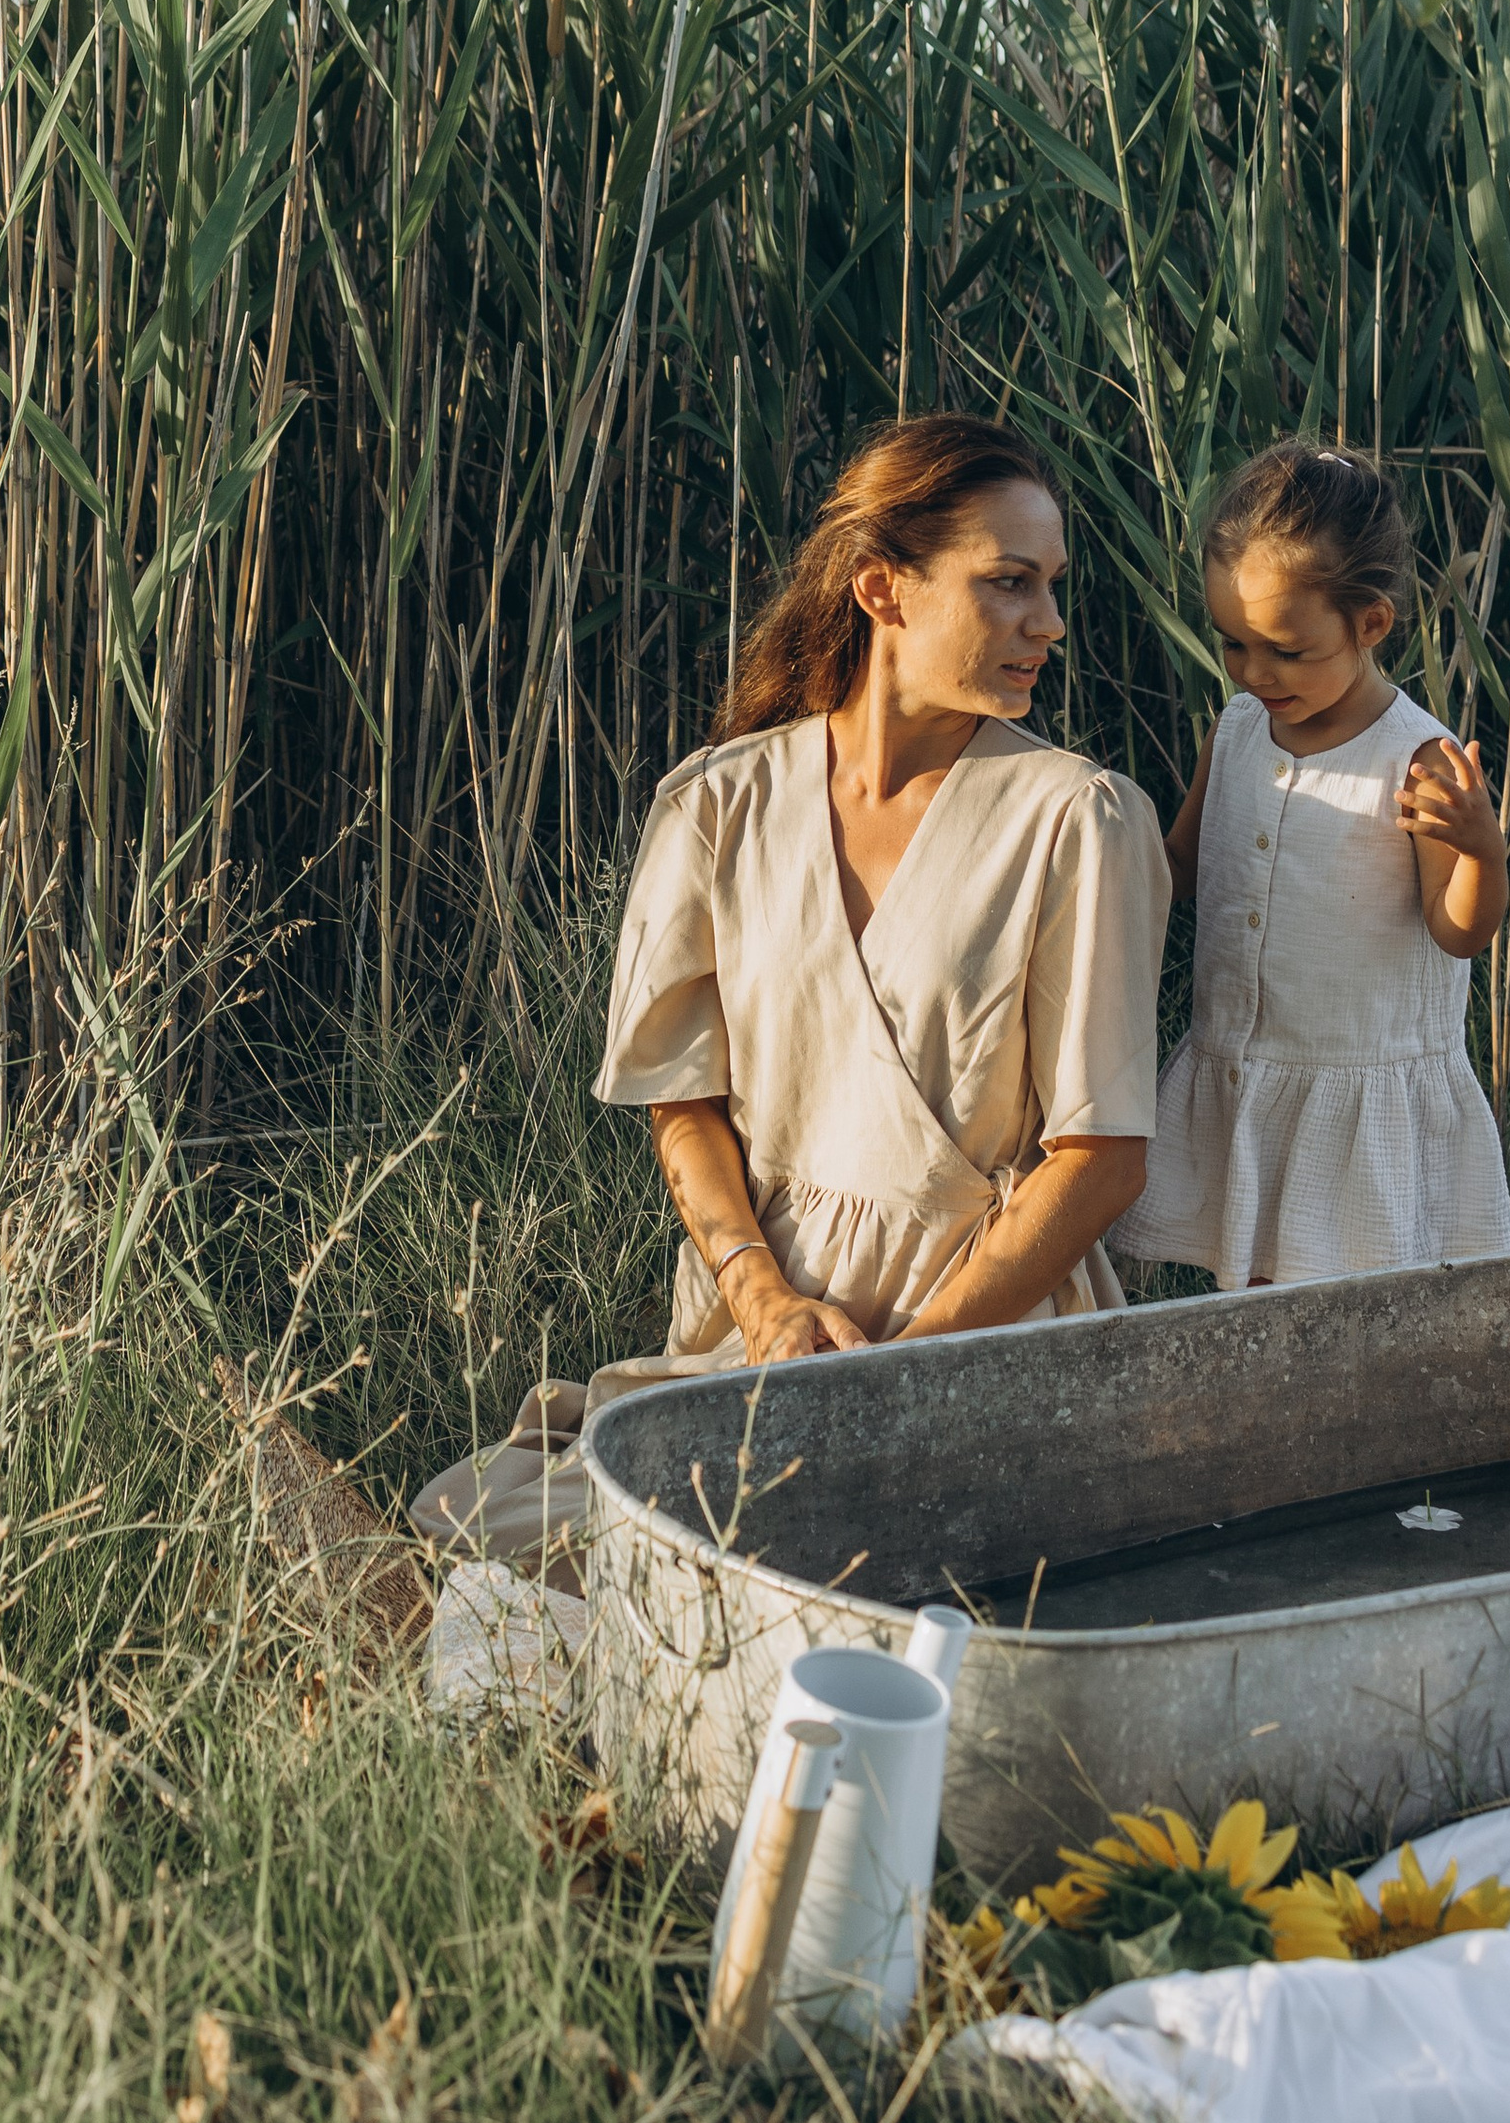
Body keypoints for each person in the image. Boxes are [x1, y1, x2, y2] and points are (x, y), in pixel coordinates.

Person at [409, 413, 1170, 1583]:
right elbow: (683, 1102)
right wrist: (763, 1301)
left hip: (978, 1338)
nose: (1049, 623)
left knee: (809, 1566)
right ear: (882, 589)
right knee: (471, 1519)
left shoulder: (1078, 820)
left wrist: (894, 1374)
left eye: (1051, 585)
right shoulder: (716, 804)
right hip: (765, 1331)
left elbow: (1100, 1155)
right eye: (1008, 583)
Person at [1113, 439, 1510, 1294]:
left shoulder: (1416, 759)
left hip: (1355, 1089)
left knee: (1348, 1307)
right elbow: (1180, 865)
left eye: (1285, 652)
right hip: (1247, 1072)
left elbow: (1457, 930)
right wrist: (1089, 848)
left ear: (1369, 623)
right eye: (1232, 646)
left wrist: (1483, 848)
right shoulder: (1239, 728)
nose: (1256, 673)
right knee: (1254, 1297)